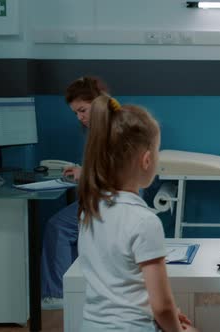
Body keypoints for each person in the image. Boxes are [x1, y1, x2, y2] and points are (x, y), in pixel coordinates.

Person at [77, 94, 197, 331]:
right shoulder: (144, 221)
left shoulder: (90, 210)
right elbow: (161, 305)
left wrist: (171, 314)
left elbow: (125, 287)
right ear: (147, 160)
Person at [41, 76, 108, 307]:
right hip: (107, 197)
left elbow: (119, 171)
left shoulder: (111, 128)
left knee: (58, 227)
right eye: (76, 113)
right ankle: (71, 290)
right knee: (65, 225)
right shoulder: (109, 123)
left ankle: (58, 294)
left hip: (112, 200)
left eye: (83, 110)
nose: (80, 117)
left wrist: (85, 174)